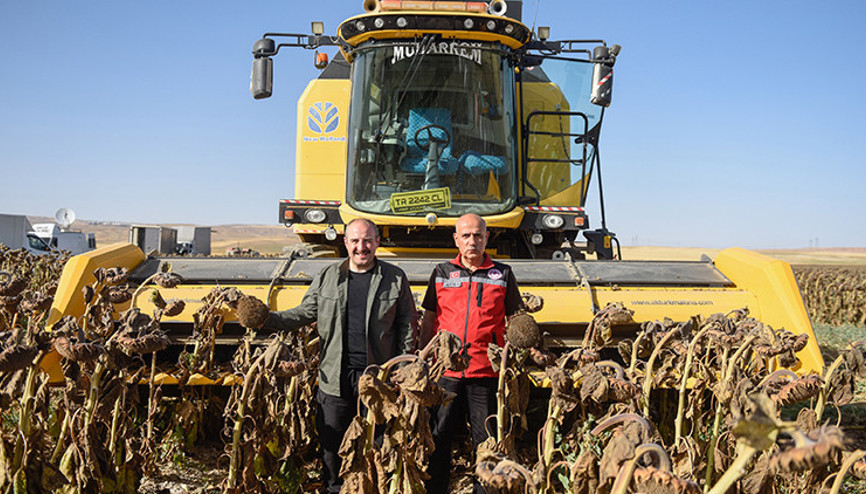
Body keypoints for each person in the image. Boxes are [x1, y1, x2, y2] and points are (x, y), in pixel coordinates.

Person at [259, 218, 416, 494]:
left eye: (367, 240)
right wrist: (267, 319)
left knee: (379, 444)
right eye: (355, 240)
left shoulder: (394, 277)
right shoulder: (328, 276)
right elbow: (304, 313)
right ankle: (334, 488)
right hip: (335, 377)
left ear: (377, 242)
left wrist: (401, 369)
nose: (361, 247)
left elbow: (406, 325)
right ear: (345, 243)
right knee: (332, 446)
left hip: (377, 379)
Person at [420, 213, 524, 494]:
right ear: (456, 239)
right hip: (446, 373)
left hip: (485, 373)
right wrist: (422, 358)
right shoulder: (442, 272)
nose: (472, 241)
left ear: (487, 238)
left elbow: (516, 320)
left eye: (478, 235)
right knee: (438, 439)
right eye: (465, 235)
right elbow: (430, 318)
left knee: (486, 442)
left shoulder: (502, 274)